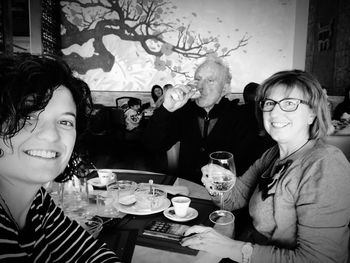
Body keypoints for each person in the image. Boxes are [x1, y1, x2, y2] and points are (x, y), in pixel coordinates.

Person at [181, 70, 350, 263]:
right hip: (246, 244)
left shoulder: (325, 165)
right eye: (269, 103)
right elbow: (236, 198)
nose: (274, 112)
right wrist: (216, 182)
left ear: (312, 113)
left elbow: (320, 260)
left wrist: (228, 247)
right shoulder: (273, 154)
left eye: (289, 103)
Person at [0, 53, 120, 261]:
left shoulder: (38, 202)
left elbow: (88, 253)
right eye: (27, 116)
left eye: (65, 122)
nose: (51, 134)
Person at [143, 56, 272, 183]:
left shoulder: (241, 117)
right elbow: (153, 145)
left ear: (225, 88)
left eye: (210, 80)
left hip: (225, 196)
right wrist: (166, 109)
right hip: (186, 193)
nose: (200, 86)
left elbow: (249, 169)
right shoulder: (185, 112)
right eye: (198, 79)